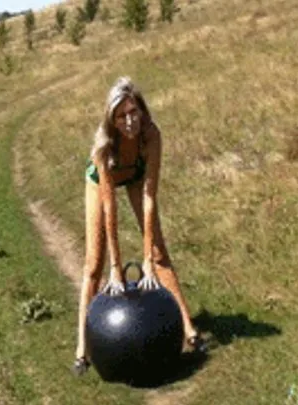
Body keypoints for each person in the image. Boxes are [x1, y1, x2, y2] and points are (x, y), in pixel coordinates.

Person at [73, 76, 206, 376]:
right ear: (112, 119)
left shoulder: (152, 135)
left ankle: (189, 330)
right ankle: (83, 348)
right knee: (94, 264)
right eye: (121, 116)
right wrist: (116, 268)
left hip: (134, 175)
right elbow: (111, 211)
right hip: (101, 182)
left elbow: (150, 197)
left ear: (142, 111)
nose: (130, 121)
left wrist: (146, 260)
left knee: (160, 255)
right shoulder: (103, 146)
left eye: (134, 112)